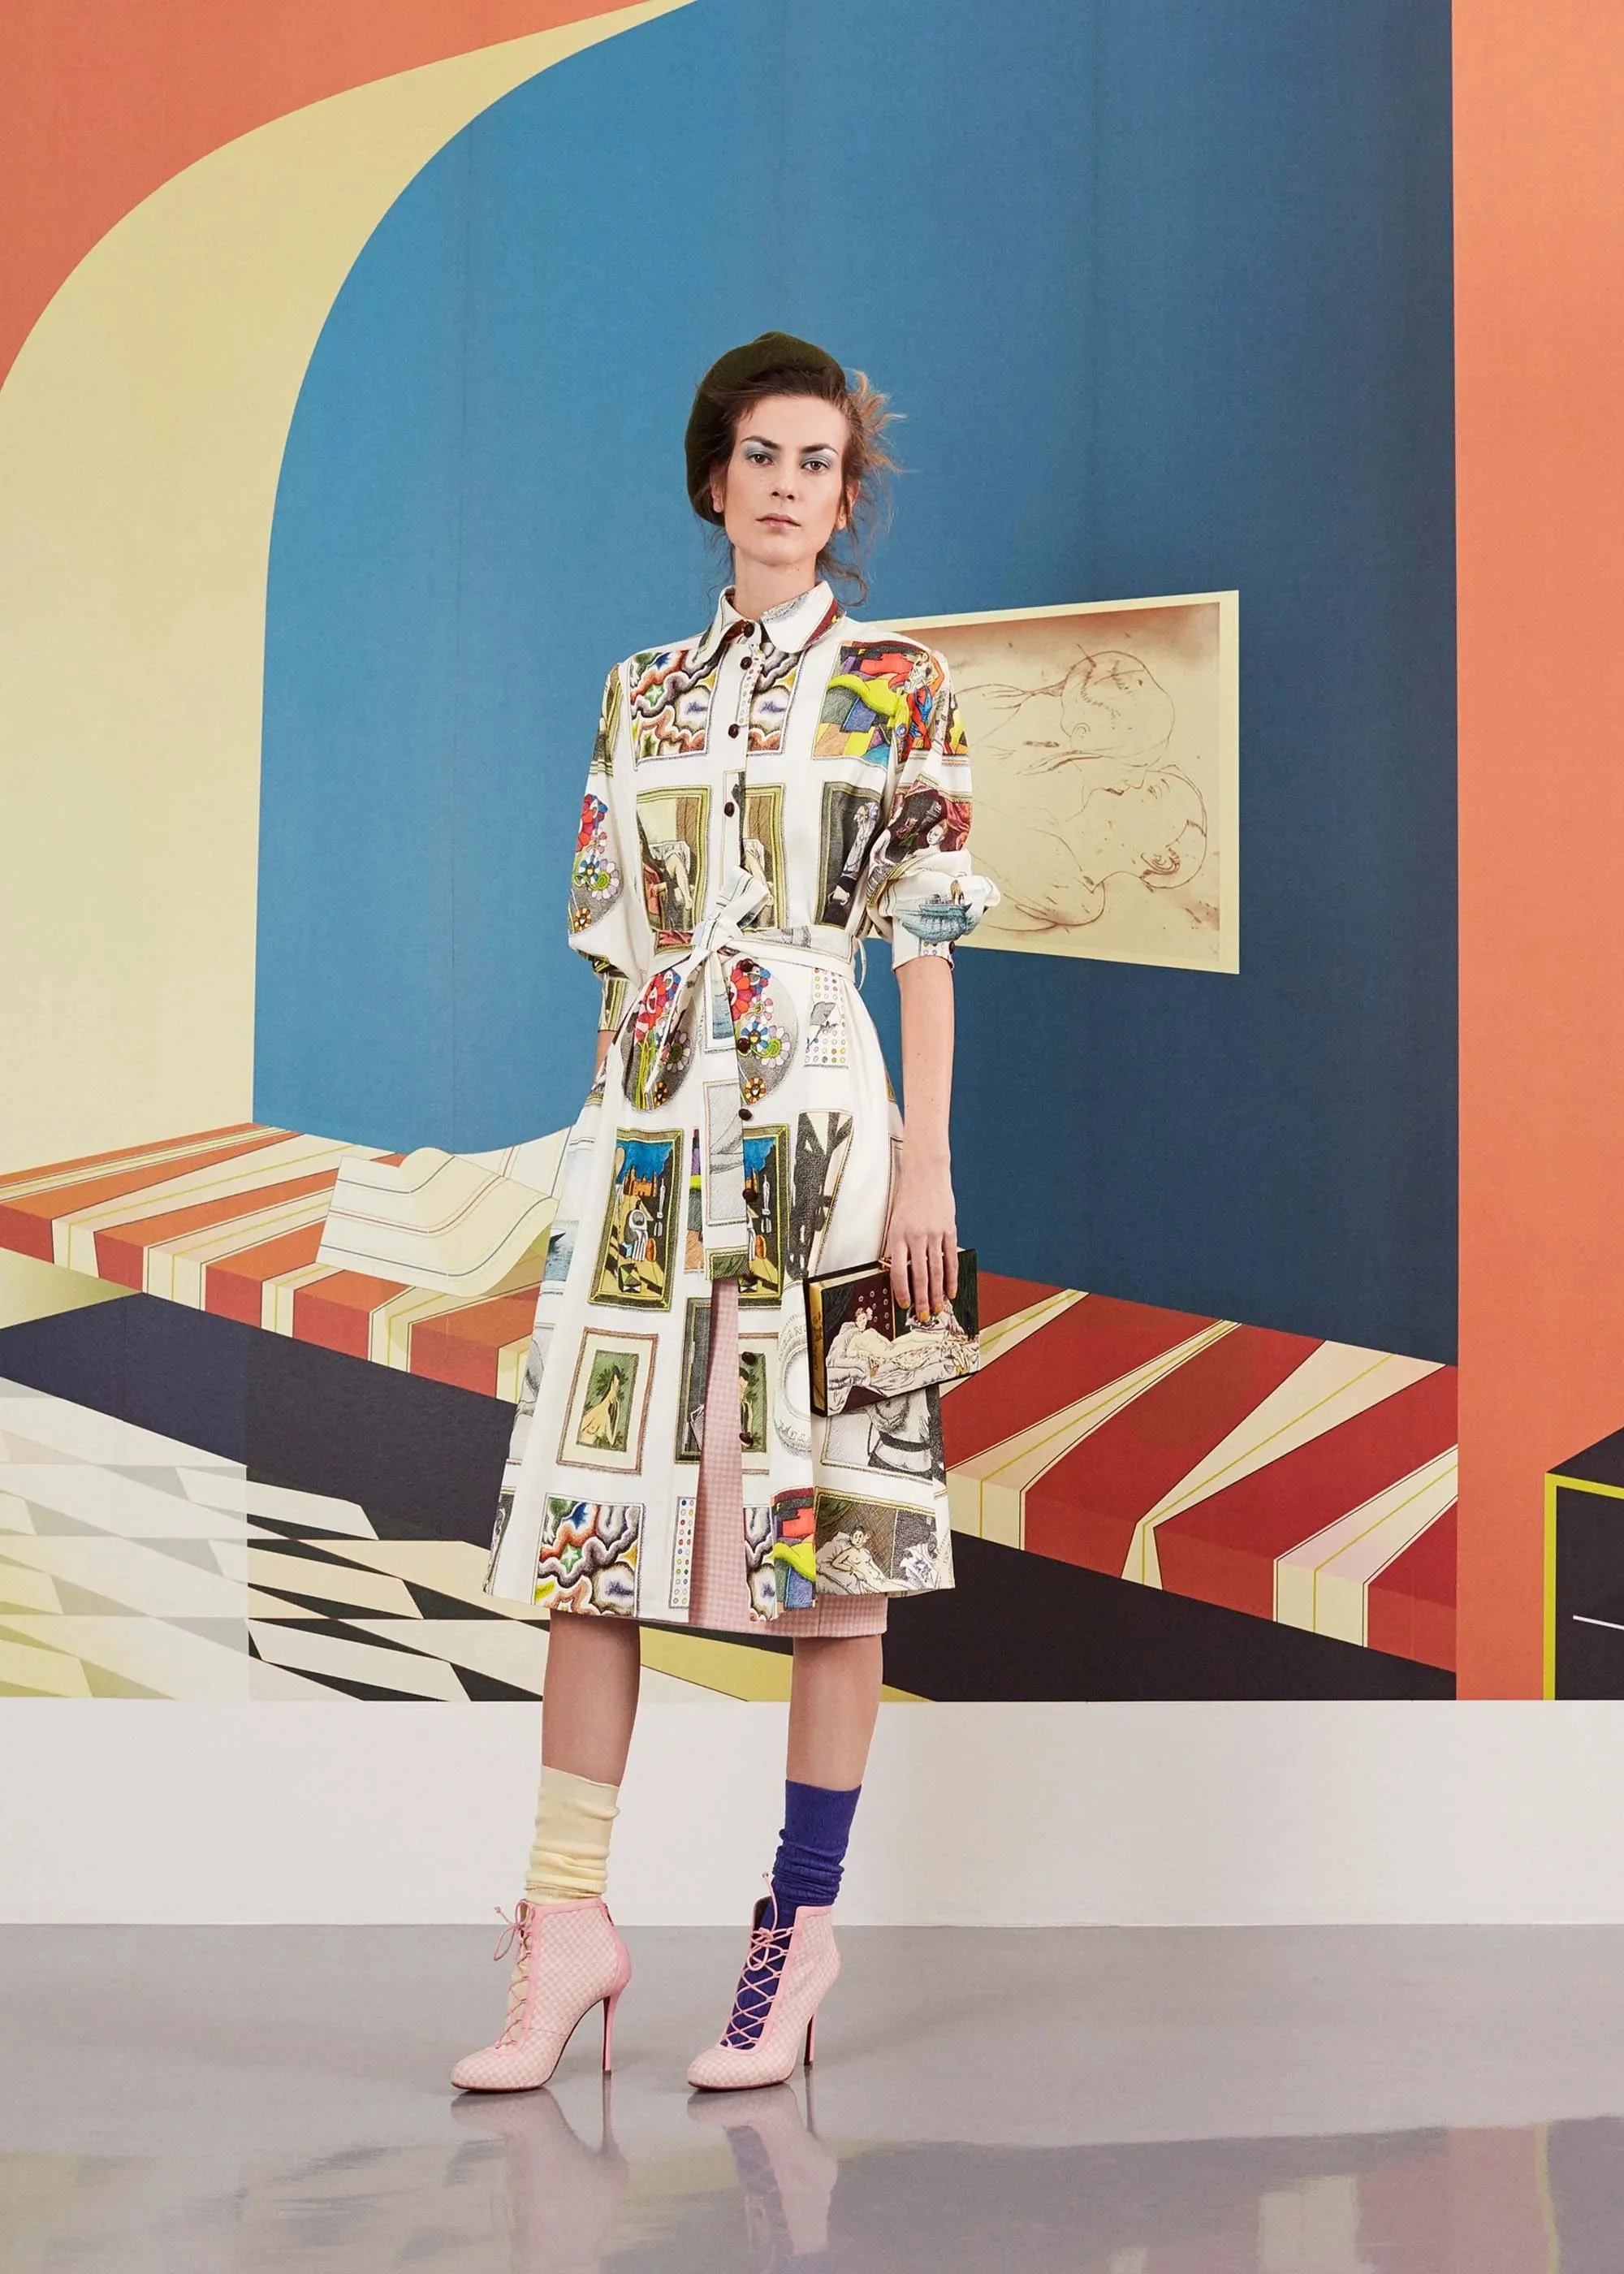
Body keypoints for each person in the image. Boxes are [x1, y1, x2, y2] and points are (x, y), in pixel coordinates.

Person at [453, 331, 997, 2098]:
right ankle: (563, 1923)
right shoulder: (639, 693)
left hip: (829, 1133)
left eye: (816, 462)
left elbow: (925, 940)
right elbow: (615, 950)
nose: (785, 485)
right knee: (590, 1538)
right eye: (761, 455)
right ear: (715, 478)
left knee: (837, 1553)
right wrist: (598, 1158)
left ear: (846, 496)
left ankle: (799, 1926)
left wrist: (925, 1161)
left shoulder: (903, 684)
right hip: (644, 1144)